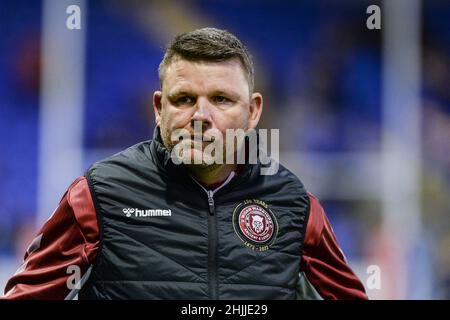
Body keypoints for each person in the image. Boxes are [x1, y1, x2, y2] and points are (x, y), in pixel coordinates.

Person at [1, 28, 367, 300]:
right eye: (184, 99)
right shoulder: (99, 195)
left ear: (253, 112)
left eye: (221, 99)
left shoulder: (295, 205)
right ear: (159, 108)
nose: (200, 116)